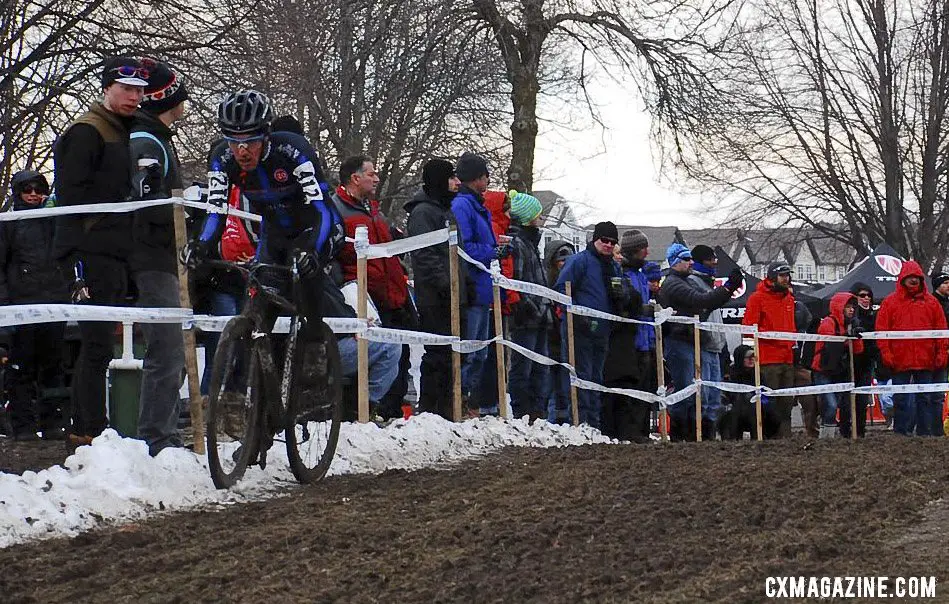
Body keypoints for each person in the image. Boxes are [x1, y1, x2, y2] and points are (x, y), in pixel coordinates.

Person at [189, 90, 345, 404]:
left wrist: (313, 250)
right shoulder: (222, 157)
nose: (241, 150)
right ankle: (260, 402)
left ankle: (314, 352)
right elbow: (217, 209)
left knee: (306, 280)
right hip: (274, 232)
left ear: (267, 135)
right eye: (233, 140)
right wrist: (202, 245)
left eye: (250, 140)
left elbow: (321, 208)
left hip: (316, 227)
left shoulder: (293, 149)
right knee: (260, 299)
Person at [53, 56, 148, 446]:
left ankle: (94, 425)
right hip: (89, 249)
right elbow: (71, 197)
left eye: (139, 91)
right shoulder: (87, 132)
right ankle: (86, 429)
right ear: (107, 88)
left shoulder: (127, 131)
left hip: (117, 248)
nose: (133, 97)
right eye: (126, 89)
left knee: (104, 343)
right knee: (94, 344)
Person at [128, 59, 189, 456]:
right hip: (150, 257)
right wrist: (186, 212)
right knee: (166, 348)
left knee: (174, 349)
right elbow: (147, 203)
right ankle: (155, 437)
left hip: (163, 255)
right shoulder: (146, 142)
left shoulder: (159, 138)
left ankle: (161, 431)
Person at [331, 155, 414, 420]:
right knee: (375, 350)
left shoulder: (374, 211)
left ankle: (384, 409)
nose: (377, 179)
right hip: (361, 295)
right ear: (355, 178)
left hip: (390, 293)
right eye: (371, 174)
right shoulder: (336, 210)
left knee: (400, 353)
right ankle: (361, 408)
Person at [0, 171, 69, 440]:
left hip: (55, 302)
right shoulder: (8, 222)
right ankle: (23, 425)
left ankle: (52, 422)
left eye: (37, 189)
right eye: (26, 189)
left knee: (53, 365)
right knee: (21, 367)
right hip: (22, 306)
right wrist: (5, 304)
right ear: (17, 192)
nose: (32, 194)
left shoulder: (53, 220)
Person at [658, 243, 740, 440]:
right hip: (680, 340)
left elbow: (707, 303)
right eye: (686, 259)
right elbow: (701, 301)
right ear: (676, 262)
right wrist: (728, 287)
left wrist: (727, 291)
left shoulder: (684, 281)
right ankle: (682, 433)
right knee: (687, 391)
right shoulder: (674, 283)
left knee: (704, 394)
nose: (690, 262)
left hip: (694, 340)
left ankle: (699, 433)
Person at [555, 222, 627, 429]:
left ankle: (593, 424)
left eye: (612, 242)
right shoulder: (579, 261)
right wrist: (577, 315)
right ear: (595, 239)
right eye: (604, 240)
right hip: (579, 330)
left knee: (596, 378)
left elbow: (620, 291)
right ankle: (578, 422)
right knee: (581, 376)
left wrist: (622, 300)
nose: (608, 245)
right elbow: (560, 290)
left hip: (603, 329)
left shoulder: (613, 266)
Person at [404, 159, 461, 420]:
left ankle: (447, 408)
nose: (457, 183)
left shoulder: (444, 211)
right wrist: (446, 285)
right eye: (452, 178)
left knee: (450, 353)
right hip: (434, 295)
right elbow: (425, 255)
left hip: (451, 292)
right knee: (437, 353)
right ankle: (430, 409)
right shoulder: (423, 213)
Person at [451, 152, 505, 415]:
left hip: (482, 289)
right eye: (485, 176)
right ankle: (458, 400)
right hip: (472, 287)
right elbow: (465, 246)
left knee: (481, 352)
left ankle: (467, 402)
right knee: (472, 351)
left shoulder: (476, 205)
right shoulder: (463, 206)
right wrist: (492, 252)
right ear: (477, 178)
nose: (487, 181)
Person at [876, 261, 948, 436]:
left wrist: (941, 353)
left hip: (926, 359)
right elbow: (881, 330)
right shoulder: (890, 303)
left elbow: (941, 330)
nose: (914, 281)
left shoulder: (932, 303)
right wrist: (886, 353)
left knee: (925, 398)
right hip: (900, 359)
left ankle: (924, 433)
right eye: (910, 278)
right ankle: (901, 432)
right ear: (903, 279)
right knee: (900, 398)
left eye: (916, 278)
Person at [506, 190, 551, 420]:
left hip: (541, 315)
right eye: (538, 215)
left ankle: (537, 411)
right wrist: (530, 307)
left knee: (541, 366)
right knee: (523, 365)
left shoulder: (532, 244)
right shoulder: (519, 244)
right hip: (527, 317)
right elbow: (519, 281)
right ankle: (522, 411)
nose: (541, 219)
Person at [742, 262, 796, 439]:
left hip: (787, 358)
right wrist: (776, 337)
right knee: (769, 404)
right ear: (772, 277)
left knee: (787, 404)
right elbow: (749, 327)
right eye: (782, 275)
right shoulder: (757, 298)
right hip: (768, 360)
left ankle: (785, 439)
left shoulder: (789, 298)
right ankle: (767, 438)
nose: (786, 279)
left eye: (787, 275)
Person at [601, 234, 646, 441]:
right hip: (615, 337)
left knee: (630, 387)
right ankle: (612, 429)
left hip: (631, 337)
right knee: (614, 386)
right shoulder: (611, 274)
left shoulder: (625, 275)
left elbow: (634, 300)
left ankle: (631, 430)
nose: (619, 257)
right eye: (616, 253)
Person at [686, 244, 732, 435]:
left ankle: (710, 433)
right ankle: (700, 432)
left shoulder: (711, 284)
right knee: (703, 395)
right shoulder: (693, 283)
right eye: (710, 260)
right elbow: (705, 305)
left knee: (714, 397)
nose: (714, 263)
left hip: (716, 346)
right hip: (703, 345)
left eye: (715, 259)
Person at [811, 293, 865, 437]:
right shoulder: (828, 322)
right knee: (831, 405)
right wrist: (848, 338)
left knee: (839, 405)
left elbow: (859, 351)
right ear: (839, 307)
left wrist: (857, 337)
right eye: (848, 307)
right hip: (823, 370)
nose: (851, 310)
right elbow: (831, 345)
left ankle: (827, 435)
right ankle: (826, 436)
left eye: (853, 307)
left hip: (839, 370)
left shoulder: (851, 324)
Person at [544, 241, 575, 423]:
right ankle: (551, 418)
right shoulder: (546, 282)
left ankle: (564, 418)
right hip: (549, 335)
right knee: (549, 382)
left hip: (565, 337)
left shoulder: (573, 282)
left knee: (565, 382)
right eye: (561, 261)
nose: (564, 265)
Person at [849, 282, 881, 428]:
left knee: (863, 399)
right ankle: (847, 429)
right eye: (862, 295)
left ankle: (860, 430)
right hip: (851, 361)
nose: (866, 298)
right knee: (848, 399)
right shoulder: (850, 315)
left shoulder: (874, 315)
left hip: (868, 361)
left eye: (869, 295)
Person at [718, 345, 759, 439]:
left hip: (754, 411)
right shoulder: (730, 375)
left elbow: (765, 396)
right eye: (749, 358)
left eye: (753, 357)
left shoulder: (758, 374)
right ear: (740, 358)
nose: (752, 360)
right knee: (731, 413)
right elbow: (724, 396)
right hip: (733, 410)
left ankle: (758, 438)